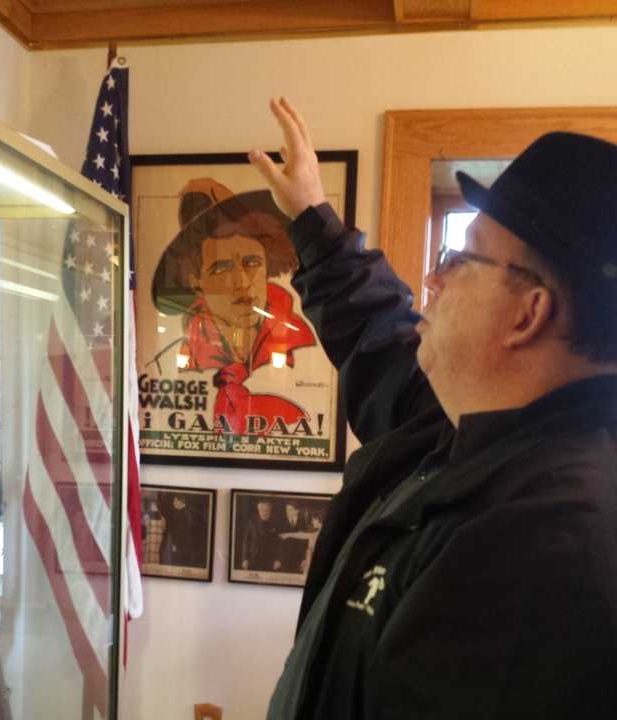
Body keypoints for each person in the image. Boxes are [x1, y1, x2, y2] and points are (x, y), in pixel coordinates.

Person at [248, 97, 617, 719]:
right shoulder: (469, 428)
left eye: (459, 258)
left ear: (529, 312)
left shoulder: (546, 542)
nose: (433, 280)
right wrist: (313, 220)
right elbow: (385, 343)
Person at [149, 178, 316, 434]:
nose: (241, 282)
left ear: (267, 269)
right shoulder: (166, 366)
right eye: (222, 267)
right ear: (197, 282)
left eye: (252, 263)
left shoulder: (308, 354)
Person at [240, 499, 280, 572]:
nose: (264, 513)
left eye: (266, 510)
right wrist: (245, 559)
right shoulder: (251, 522)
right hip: (253, 559)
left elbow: (279, 543)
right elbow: (246, 542)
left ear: (270, 510)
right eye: (261, 510)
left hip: (270, 560)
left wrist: (278, 559)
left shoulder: (276, 522)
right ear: (258, 510)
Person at [276, 501, 309, 573]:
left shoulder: (303, 523)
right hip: (284, 559)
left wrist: (304, 559)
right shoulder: (281, 522)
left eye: (290, 509)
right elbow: (278, 543)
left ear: (297, 511)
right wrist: (278, 559)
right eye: (286, 509)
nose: (287, 512)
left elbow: (305, 542)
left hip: (298, 559)